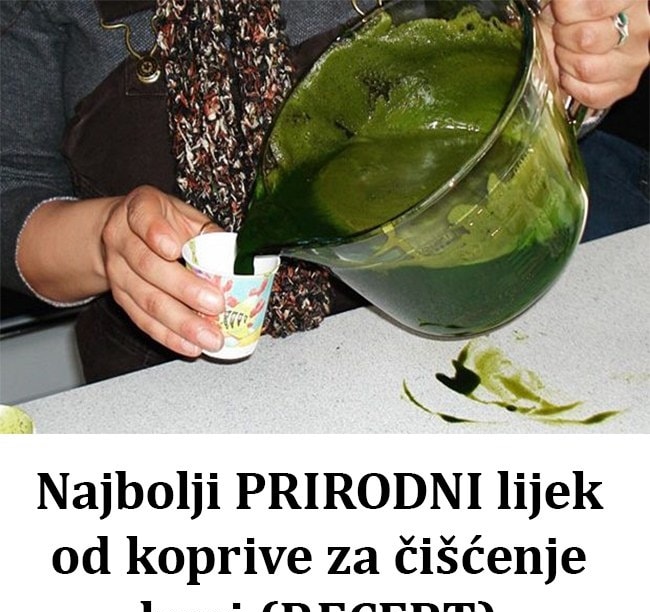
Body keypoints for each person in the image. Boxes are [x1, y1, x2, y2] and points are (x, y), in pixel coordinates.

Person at [1, 0, 649, 384]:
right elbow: (12, 194)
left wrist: (588, 52)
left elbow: (528, 59)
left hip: (478, 323)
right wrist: (104, 240)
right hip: (175, 395)